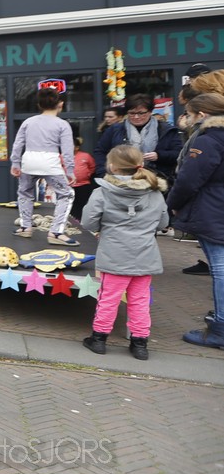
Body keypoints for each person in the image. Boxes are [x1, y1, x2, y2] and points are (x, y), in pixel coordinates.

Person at [79, 144, 168, 361]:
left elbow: (88, 222)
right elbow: (163, 223)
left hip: (114, 254)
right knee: (140, 300)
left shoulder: (102, 192)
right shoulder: (155, 193)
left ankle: (99, 339)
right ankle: (140, 344)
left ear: (112, 167)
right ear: (141, 164)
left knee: (108, 298)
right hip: (145, 255)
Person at [167, 92, 224, 349]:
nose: (187, 120)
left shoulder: (209, 139)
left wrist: (173, 203)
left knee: (220, 268)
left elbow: (189, 179)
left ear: (201, 114)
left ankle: (220, 329)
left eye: (189, 115)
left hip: (213, 209)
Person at [9, 87, 78, 246]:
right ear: (60, 104)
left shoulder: (28, 122)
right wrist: (70, 171)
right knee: (66, 194)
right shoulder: (62, 124)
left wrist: (15, 162)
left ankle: (26, 227)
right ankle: (56, 232)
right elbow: (67, 150)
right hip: (50, 163)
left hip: (29, 161)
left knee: (25, 193)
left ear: (39, 105)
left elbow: (18, 144)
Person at [93, 94, 182, 184]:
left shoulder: (166, 130)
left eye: (141, 113)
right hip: (120, 181)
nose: (136, 117)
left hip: (157, 181)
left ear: (150, 112)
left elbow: (178, 153)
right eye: (132, 113)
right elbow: (100, 152)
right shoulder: (114, 130)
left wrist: (159, 155)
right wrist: (104, 173)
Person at [70, 134, 96, 222]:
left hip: (83, 185)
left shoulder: (86, 156)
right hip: (68, 185)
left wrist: (87, 174)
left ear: (77, 147)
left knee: (83, 205)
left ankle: (81, 222)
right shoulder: (62, 156)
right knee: (70, 205)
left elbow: (92, 166)